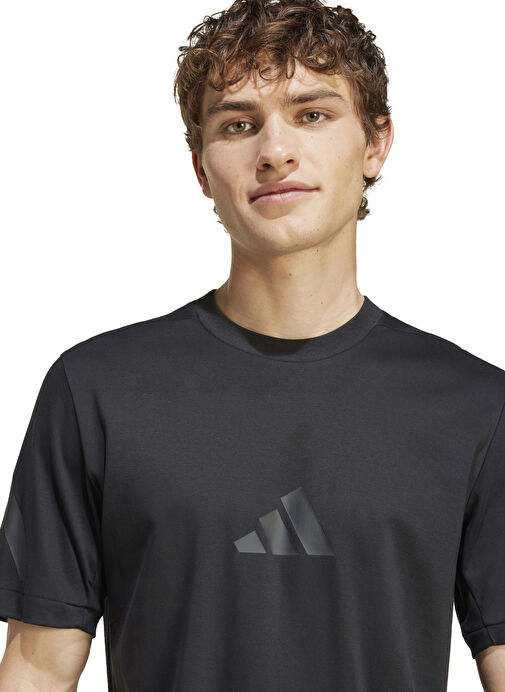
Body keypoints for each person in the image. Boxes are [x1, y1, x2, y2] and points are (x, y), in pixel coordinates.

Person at [0, 0, 504, 689]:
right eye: (238, 124)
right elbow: (37, 669)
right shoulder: (95, 391)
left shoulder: (476, 408)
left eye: (312, 114)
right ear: (201, 168)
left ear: (375, 143)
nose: (274, 152)